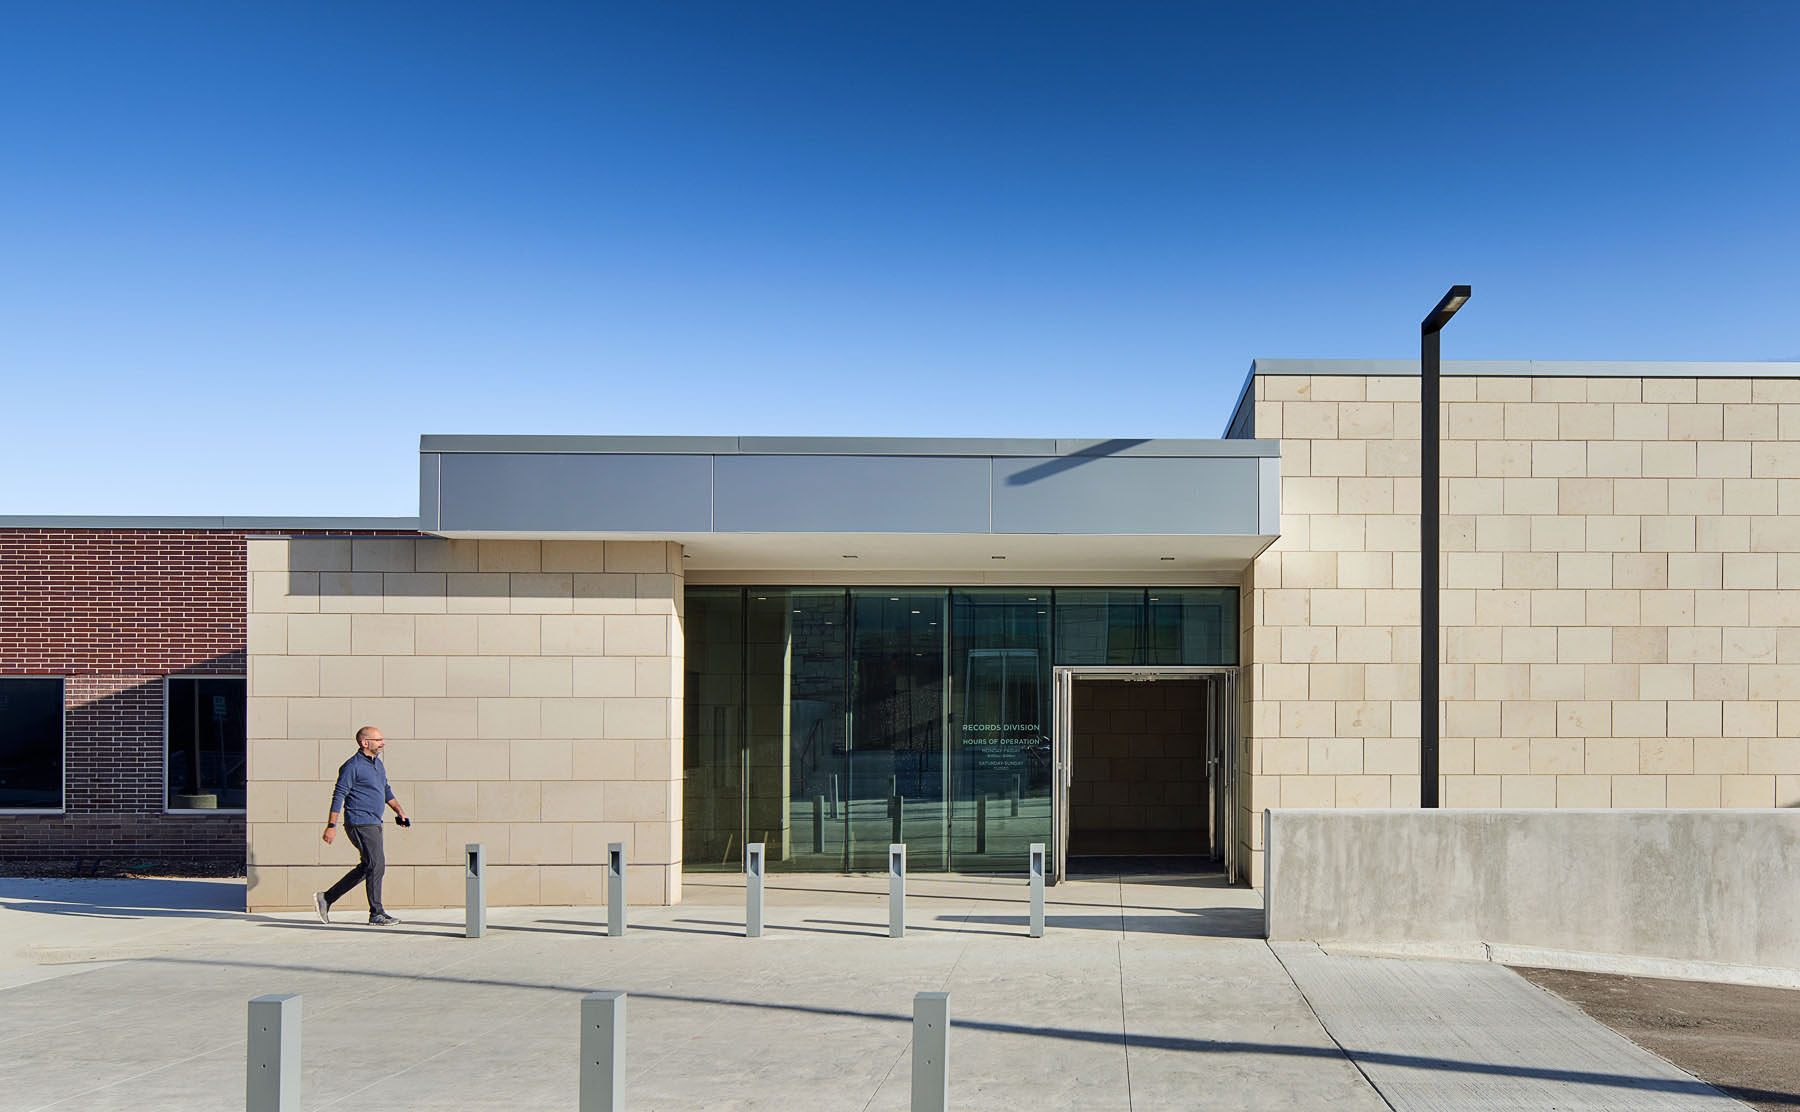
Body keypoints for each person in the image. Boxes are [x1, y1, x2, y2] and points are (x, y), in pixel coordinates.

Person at [314, 725, 410, 926]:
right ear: (365, 742)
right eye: (378, 740)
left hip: (374, 821)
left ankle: (327, 898)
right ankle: (376, 913)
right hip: (359, 822)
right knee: (377, 864)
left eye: (383, 739)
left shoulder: (378, 764)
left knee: (369, 866)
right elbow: (339, 794)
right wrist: (331, 825)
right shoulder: (352, 766)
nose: (383, 743)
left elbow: (385, 789)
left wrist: (399, 811)